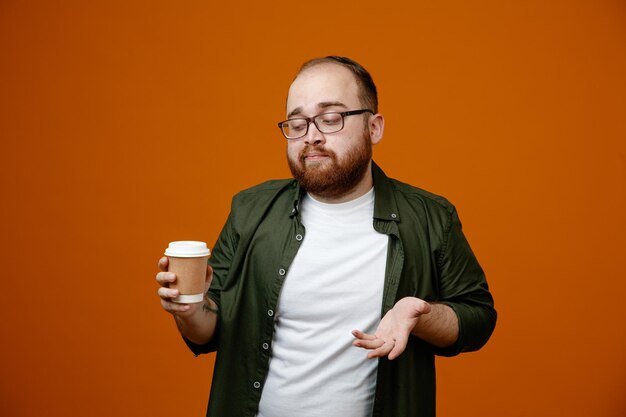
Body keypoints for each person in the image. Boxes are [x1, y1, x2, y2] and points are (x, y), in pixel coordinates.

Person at [156, 56, 496, 417]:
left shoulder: (430, 217)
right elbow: (211, 330)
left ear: (374, 128)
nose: (312, 136)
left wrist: (419, 314)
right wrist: (191, 311)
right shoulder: (250, 210)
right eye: (298, 123)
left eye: (331, 118)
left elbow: (477, 319)